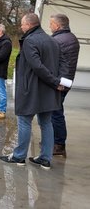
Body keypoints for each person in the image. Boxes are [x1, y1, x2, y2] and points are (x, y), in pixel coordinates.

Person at [0, 13, 67, 170]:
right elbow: (63, 63)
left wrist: (55, 81)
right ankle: (45, 158)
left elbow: (36, 66)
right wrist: (58, 81)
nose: (21, 27)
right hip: (48, 90)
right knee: (46, 123)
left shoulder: (30, 41)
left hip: (31, 89)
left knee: (24, 121)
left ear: (29, 25)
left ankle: (19, 156)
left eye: (22, 24)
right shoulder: (52, 40)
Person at [49, 13, 80, 157]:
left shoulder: (58, 40)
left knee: (55, 113)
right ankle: (55, 141)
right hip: (66, 81)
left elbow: (56, 63)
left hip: (60, 83)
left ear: (57, 25)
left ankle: (59, 145)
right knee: (55, 111)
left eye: (51, 24)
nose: (50, 26)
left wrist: (57, 82)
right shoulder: (71, 38)